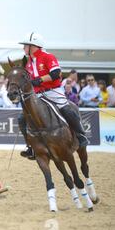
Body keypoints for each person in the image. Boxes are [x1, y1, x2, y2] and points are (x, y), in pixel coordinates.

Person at [17, 32, 89, 160]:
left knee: (67, 109)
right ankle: (30, 146)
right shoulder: (28, 61)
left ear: (34, 46)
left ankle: (81, 136)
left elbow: (56, 73)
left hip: (53, 91)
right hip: (37, 94)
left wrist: (40, 80)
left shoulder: (48, 56)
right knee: (22, 118)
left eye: (25, 45)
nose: (23, 48)